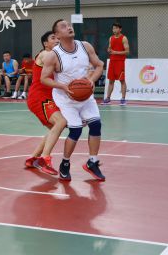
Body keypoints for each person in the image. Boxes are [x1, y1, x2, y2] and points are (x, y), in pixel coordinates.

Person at [41, 19, 106, 181]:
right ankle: (65, 163)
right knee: (76, 130)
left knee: (96, 125)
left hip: (85, 95)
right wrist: (62, 86)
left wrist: (91, 80)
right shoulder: (53, 55)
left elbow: (99, 65)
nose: (69, 27)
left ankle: (92, 162)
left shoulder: (85, 46)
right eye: (64, 27)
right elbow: (44, 78)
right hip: (66, 99)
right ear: (57, 35)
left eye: (69, 25)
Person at [25, 32, 67, 175]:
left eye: (58, 38)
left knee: (54, 129)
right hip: (39, 96)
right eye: (53, 38)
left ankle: (33, 158)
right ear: (45, 44)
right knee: (61, 122)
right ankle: (45, 159)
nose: (57, 40)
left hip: (47, 97)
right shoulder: (45, 54)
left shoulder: (55, 56)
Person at [103, 22, 129, 106]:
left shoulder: (124, 38)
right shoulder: (111, 38)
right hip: (112, 61)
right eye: (113, 28)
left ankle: (123, 99)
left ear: (120, 29)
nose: (114, 30)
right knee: (111, 81)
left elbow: (127, 51)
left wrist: (115, 52)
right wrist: (109, 50)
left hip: (120, 62)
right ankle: (108, 98)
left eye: (116, 28)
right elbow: (110, 48)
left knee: (122, 80)